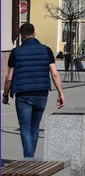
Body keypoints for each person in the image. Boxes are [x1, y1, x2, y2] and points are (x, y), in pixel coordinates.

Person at [3, 23, 65, 158]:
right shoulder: (46, 50)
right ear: (34, 33)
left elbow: (9, 78)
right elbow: (55, 73)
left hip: (23, 94)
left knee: (25, 127)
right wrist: (60, 93)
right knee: (34, 126)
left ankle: (29, 158)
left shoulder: (16, 52)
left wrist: (5, 94)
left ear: (21, 36)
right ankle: (30, 159)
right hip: (41, 93)